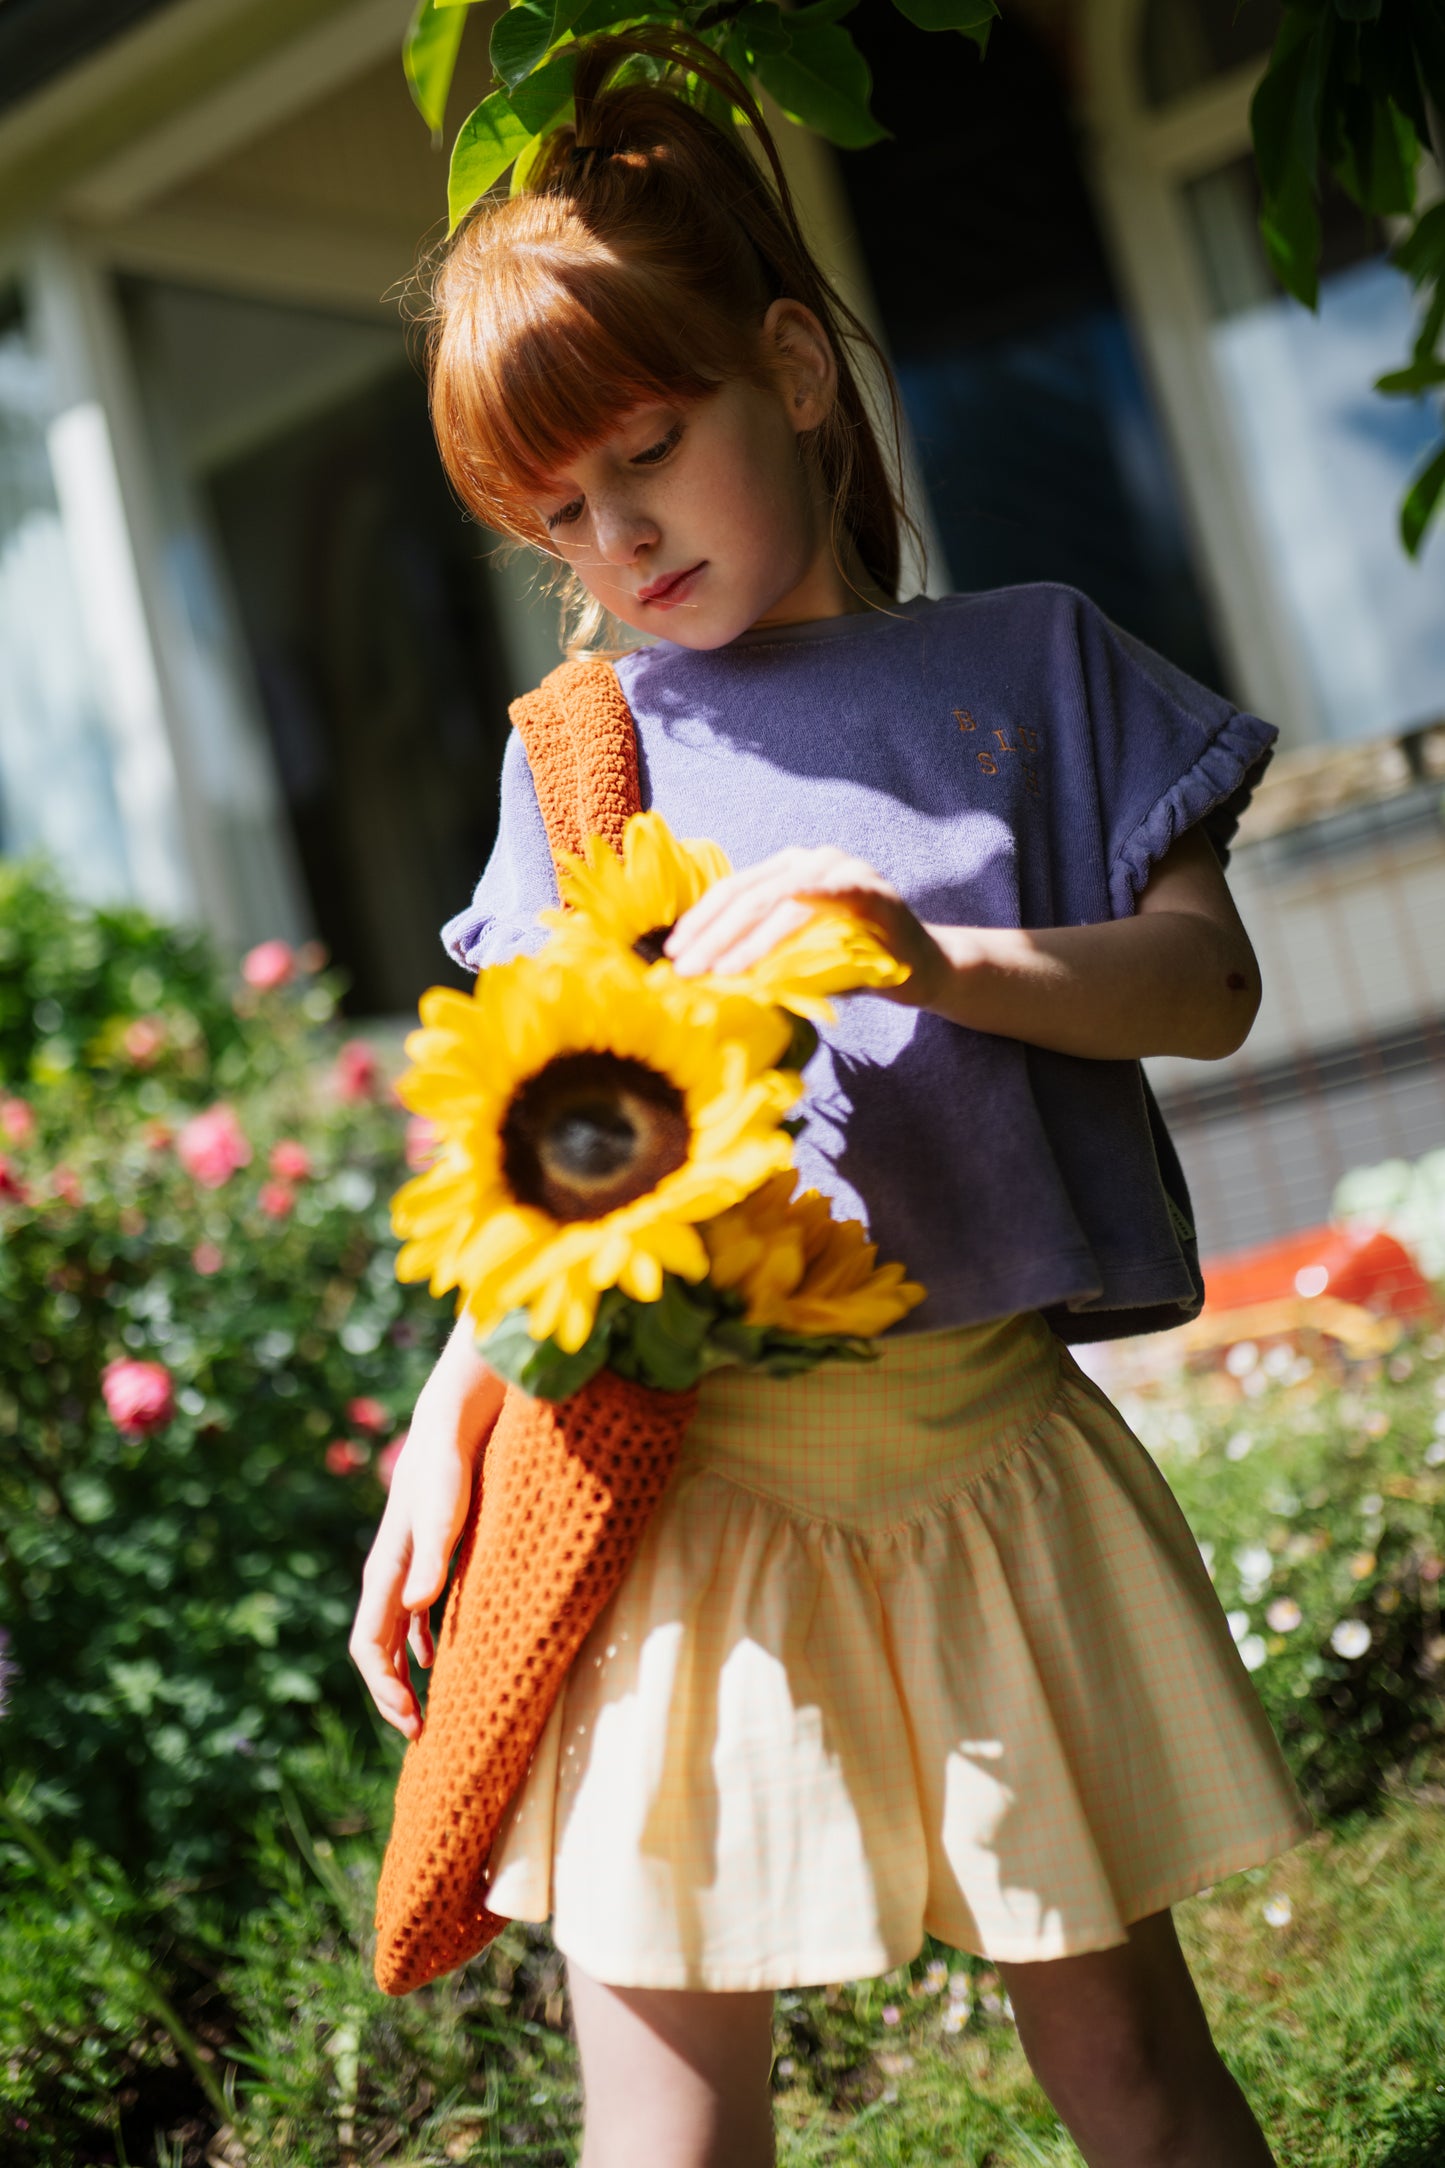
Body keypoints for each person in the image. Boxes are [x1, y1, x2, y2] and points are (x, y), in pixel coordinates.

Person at [350, 35, 1312, 2167]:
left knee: (1134, 2068)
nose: (616, 536)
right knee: (671, 2120)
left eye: (649, 451)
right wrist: (448, 1423)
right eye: (559, 513)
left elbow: (1211, 983)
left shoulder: (1038, 666)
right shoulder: (578, 759)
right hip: (686, 1492)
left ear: (790, 367)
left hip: (982, 1457)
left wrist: (935, 957)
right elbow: (555, 1141)